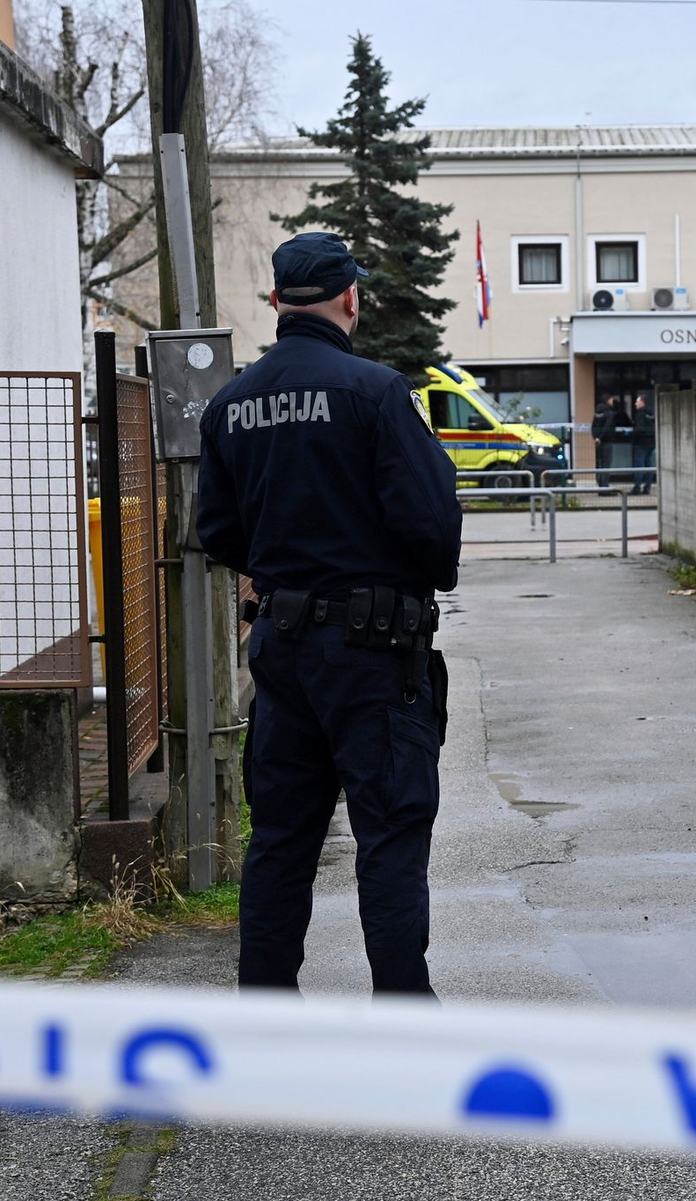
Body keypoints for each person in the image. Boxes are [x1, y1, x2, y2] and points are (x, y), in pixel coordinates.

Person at [196, 231, 462, 996]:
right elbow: (431, 521)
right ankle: (404, 1012)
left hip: (281, 651)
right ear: (351, 297)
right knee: (389, 831)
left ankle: (267, 1010)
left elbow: (216, 531)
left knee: (280, 838)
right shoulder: (377, 391)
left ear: (277, 302)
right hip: (375, 655)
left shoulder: (230, 406)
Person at [631, 394, 656, 495]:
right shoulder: (652, 413)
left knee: (639, 466)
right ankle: (647, 488)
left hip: (640, 443)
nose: (635, 403)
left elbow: (639, 429)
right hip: (651, 442)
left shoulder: (640, 413)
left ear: (642, 402)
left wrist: (632, 435)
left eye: (637, 401)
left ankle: (637, 487)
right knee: (649, 465)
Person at [591, 394, 617, 486]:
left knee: (600, 464)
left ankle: (600, 486)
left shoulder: (597, 412)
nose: (612, 402)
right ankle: (605, 487)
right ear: (608, 400)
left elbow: (593, 426)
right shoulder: (609, 412)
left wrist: (596, 438)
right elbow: (608, 425)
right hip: (607, 441)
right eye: (611, 400)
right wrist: (601, 437)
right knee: (606, 465)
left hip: (598, 443)